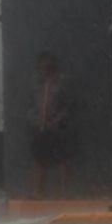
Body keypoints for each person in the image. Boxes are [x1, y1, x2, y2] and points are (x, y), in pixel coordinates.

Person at [28, 51, 75, 198]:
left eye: (48, 67)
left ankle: (63, 192)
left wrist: (58, 120)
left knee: (61, 159)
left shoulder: (61, 84)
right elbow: (29, 106)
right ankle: (37, 192)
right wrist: (36, 121)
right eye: (42, 67)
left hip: (57, 128)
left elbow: (69, 106)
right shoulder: (35, 85)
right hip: (39, 127)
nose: (45, 71)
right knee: (39, 160)